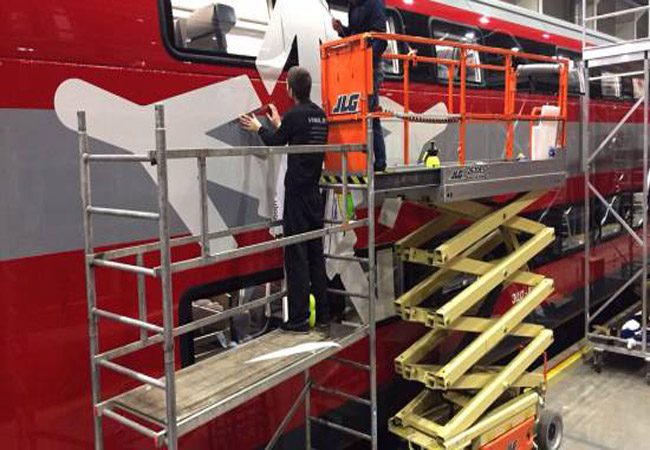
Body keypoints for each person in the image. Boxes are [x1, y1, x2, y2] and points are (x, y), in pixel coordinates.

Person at [239, 67, 331, 333]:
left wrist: (258, 127)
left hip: (297, 196)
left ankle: (299, 318)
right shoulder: (319, 116)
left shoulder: (295, 115)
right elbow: (298, 137)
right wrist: (280, 121)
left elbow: (277, 141)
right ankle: (324, 314)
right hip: (314, 194)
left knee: (296, 256)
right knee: (315, 254)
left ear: (290, 89)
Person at [333, 0, 387, 172]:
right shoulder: (353, 5)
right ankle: (378, 161)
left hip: (370, 68)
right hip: (357, 66)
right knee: (370, 114)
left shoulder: (375, 3)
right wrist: (342, 30)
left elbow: (381, 39)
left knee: (366, 114)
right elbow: (355, 35)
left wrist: (366, 62)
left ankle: (368, 163)